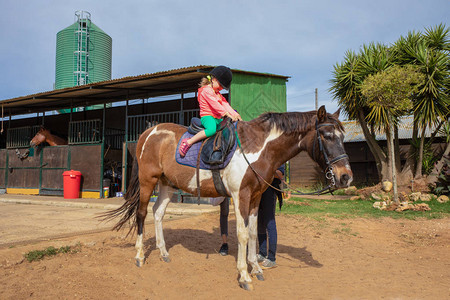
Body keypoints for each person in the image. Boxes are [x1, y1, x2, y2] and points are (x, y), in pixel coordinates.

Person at [179, 66, 242, 157]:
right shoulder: (206, 91)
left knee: (229, 127)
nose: (221, 88)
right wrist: (227, 114)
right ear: (214, 80)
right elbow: (216, 105)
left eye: (222, 87)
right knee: (211, 130)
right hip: (208, 116)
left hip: (217, 117)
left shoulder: (218, 94)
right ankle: (188, 142)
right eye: (220, 85)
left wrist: (236, 114)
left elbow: (225, 105)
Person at [257, 165, 285, 269]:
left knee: (269, 222)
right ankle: (262, 253)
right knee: (260, 222)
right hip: (259, 190)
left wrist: (263, 170)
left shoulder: (278, 156)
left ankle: (272, 258)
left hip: (270, 190)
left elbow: (280, 174)